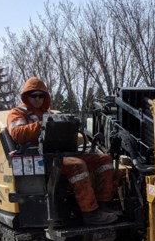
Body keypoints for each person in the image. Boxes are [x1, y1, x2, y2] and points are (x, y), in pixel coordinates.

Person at [7, 77, 119, 226]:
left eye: (41, 95)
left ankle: (104, 205)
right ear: (26, 96)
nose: (38, 99)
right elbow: (17, 134)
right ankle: (90, 213)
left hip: (62, 153)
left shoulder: (50, 113)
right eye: (33, 95)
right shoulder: (17, 113)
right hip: (40, 158)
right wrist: (42, 125)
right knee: (77, 165)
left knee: (104, 160)